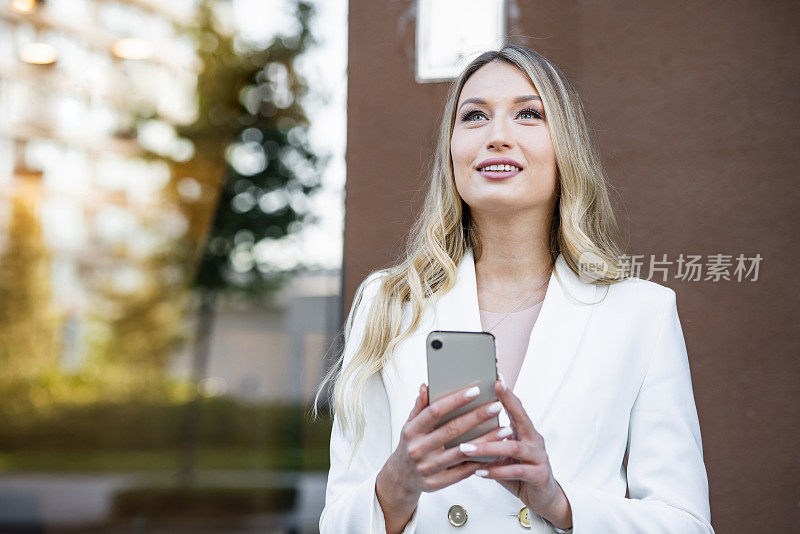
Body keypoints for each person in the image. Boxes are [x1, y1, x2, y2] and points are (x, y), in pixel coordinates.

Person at [318, 45, 713, 533]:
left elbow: (687, 524)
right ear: (452, 148)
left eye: (528, 114)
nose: (497, 136)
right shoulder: (391, 302)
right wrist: (398, 481)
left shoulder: (641, 312)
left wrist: (559, 502)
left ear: (564, 145)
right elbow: (337, 522)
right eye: (475, 116)